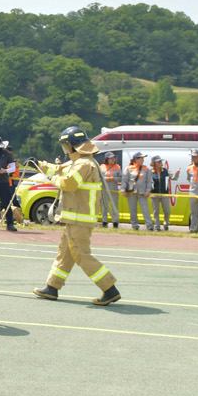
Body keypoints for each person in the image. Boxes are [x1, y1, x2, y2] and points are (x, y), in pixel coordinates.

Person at [32, 126, 120, 305]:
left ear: (74, 146)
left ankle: (109, 288)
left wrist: (52, 179)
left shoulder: (83, 164)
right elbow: (60, 169)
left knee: (81, 254)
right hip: (76, 218)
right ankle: (52, 287)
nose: (66, 150)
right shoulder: (81, 162)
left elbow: (69, 183)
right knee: (65, 253)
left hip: (80, 218)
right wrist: (40, 165)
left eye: (66, 146)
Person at [123, 153, 150, 231]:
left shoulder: (146, 169)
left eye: (143, 158)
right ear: (136, 159)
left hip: (142, 192)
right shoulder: (128, 168)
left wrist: (148, 190)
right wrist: (123, 190)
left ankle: (149, 226)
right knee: (132, 210)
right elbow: (124, 180)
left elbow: (149, 181)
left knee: (145, 209)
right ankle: (134, 225)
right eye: (141, 158)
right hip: (132, 192)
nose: (143, 160)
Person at [148, 156, 171, 231]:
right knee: (156, 211)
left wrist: (177, 174)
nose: (160, 163)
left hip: (164, 194)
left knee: (167, 211)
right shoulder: (150, 172)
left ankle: (166, 223)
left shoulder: (165, 170)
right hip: (154, 194)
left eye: (160, 161)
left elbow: (173, 178)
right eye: (158, 161)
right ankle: (157, 227)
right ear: (154, 163)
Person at [98, 153, 121, 228]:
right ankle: (104, 221)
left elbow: (121, 178)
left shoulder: (117, 167)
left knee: (114, 205)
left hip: (113, 188)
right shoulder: (101, 167)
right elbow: (98, 177)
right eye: (111, 158)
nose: (113, 160)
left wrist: (114, 178)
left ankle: (115, 221)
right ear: (107, 159)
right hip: (104, 189)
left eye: (114, 158)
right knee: (104, 205)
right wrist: (104, 179)